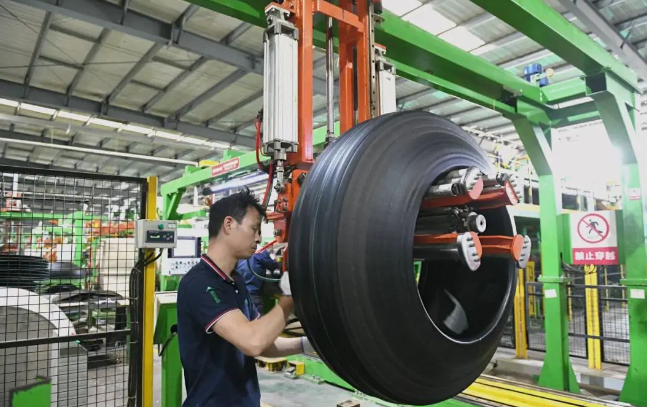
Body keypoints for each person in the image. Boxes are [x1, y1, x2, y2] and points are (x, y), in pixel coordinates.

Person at [177, 190, 313, 407]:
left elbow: (264, 343)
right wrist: (288, 299)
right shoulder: (199, 284)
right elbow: (253, 342)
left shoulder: (236, 281)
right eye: (254, 229)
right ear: (229, 225)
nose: (258, 238)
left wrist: (307, 345)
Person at [236, 250, 280, 316]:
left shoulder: (238, 254)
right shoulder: (260, 253)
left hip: (239, 295)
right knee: (257, 318)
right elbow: (274, 266)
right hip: (253, 294)